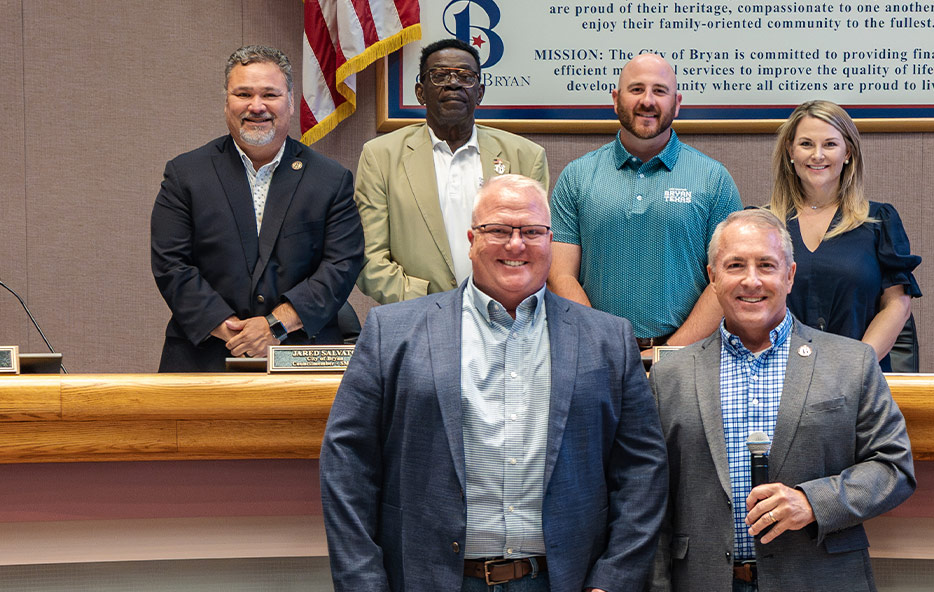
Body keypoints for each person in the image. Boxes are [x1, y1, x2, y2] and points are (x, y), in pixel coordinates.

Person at [320, 174, 667, 592]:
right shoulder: (393, 331)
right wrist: (361, 575)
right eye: (499, 230)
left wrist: (619, 575)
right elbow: (347, 460)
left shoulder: (607, 338)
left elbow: (643, 467)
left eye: (531, 232)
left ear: (550, 240)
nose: (516, 244)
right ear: (471, 240)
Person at [638, 209, 915, 592]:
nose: (751, 281)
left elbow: (894, 468)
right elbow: (650, 507)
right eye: (735, 266)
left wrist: (812, 502)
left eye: (766, 265)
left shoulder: (850, 362)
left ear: (789, 275)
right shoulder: (670, 375)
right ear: (713, 277)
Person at [150, 45, 363, 372]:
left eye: (270, 94)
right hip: (203, 359)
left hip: (301, 358)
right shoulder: (185, 175)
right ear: (226, 102)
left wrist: (275, 326)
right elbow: (171, 264)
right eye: (243, 94)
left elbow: (341, 265)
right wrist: (234, 332)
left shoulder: (330, 180)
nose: (257, 106)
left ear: (291, 102)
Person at [548, 53, 741, 350]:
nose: (647, 100)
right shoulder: (577, 176)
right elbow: (560, 276)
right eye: (636, 89)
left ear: (676, 103)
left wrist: (673, 353)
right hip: (595, 351)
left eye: (659, 91)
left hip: (688, 356)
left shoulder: (713, 178)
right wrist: (604, 346)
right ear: (615, 99)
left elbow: (727, 280)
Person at [355, 38, 549, 305]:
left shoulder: (524, 157)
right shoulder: (381, 156)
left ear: (479, 92)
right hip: (417, 317)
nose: (454, 83)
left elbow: (535, 249)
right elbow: (370, 257)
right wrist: (428, 305)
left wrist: (497, 301)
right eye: (439, 76)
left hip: (503, 315)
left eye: (466, 76)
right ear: (420, 92)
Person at [764, 100, 921, 371]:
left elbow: (897, 305)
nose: (817, 155)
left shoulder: (878, 221)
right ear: (790, 150)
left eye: (830, 144)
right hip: (779, 379)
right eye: (806, 144)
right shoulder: (763, 225)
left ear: (848, 152)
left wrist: (855, 367)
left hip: (858, 380)